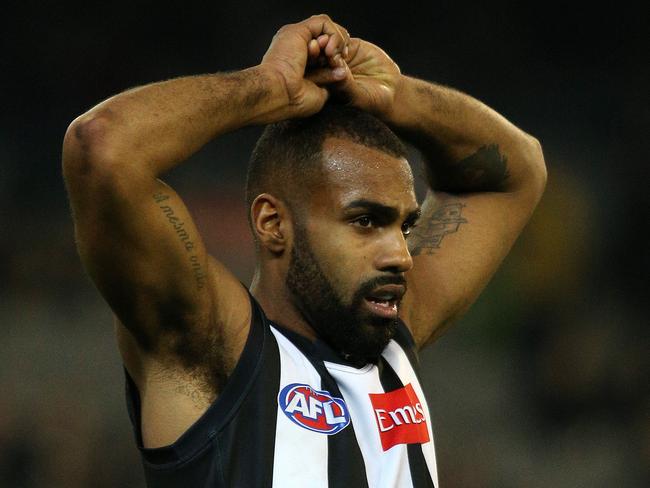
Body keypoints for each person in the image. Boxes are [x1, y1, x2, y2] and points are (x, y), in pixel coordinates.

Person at [62, 14, 546, 488]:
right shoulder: (213, 350)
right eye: (365, 221)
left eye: (405, 225)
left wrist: (397, 98)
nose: (401, 253)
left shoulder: (393, 331)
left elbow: (519, 168)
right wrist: (269, 87)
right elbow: (103, 148)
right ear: (273, 224)